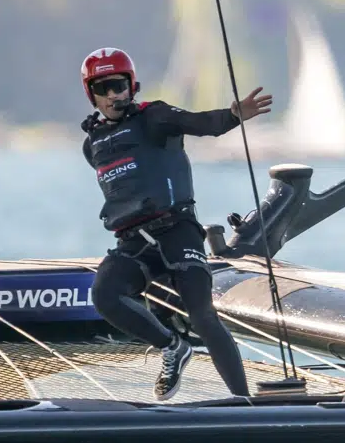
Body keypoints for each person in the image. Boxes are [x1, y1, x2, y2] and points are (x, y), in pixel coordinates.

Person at [79, 47, 272, 400]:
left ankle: (244, 403)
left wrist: (233, 115)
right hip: (133, 241)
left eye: (118, 85)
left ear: (132, 86)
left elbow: (200, 123)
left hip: (177, 231)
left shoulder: (155, 117)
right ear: (91, 94)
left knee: (201, 314)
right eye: (102, 88)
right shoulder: (92, 144)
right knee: (104, 295)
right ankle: (173, 347)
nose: (112, 95)